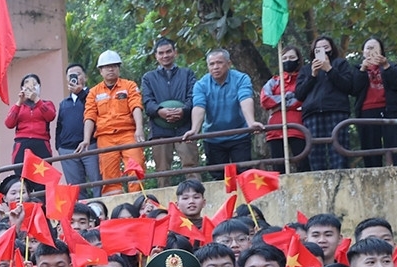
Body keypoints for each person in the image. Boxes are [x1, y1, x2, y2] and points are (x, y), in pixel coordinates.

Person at [182, 49, 263, 170]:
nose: (215, 67)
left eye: (219, 62)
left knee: (244, 172)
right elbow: (199, 106)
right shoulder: (201, 85)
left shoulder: (241, 79)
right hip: (212, 138)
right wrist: (194, 130)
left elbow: (245, 99)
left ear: (229, 64)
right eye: (212, 64)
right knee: (218, 175)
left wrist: (251, 123)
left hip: (239, 135)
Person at [79, 50, 145, 195]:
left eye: (114, 66)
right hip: (105, 137)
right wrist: (86, 139)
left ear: (118, 68)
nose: (111, 69)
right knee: (109, 176)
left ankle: (139, 200)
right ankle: (115, 204)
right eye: (107, 67)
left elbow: (136, 106)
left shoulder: (129, 86)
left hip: (128, 134)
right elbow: (89, 115)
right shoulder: (94, 92)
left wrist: (139, 129)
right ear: (100, 71)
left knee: (136, 168)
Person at [295, 35, 360, 173]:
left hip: (337, 110)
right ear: (313, 52)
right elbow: (299, 94)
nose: (323, 51)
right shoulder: (306, 69)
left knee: (339, 150)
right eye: (318, 49)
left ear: (332, 49)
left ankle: (341, 178)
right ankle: (318, 180)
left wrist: (329, 69)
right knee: (315, 153)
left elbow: (348, 86)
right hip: (312, 113)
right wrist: (313, 75)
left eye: (326, 47)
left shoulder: (341, 64)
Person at [141, 38, 199, 175]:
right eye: (161, 53)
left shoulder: (187, 73)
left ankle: (196, 190)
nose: (165, 55)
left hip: (185, 129)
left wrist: (183, 110)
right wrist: (159, 111)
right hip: (159, 131)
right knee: (162, 171)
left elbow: (194, 97)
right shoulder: (148, 78)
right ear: (156, 56)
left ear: (175, 52)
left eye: (168, 51)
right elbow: (147, 102)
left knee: (191, 167)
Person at [354, 37, 397, 167]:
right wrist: (363, 69)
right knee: (370, 149)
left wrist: (386, 66)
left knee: (396, 146)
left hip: (390, 110)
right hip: (367, 111)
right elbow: (353, 89)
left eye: (374, 48)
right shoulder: (356, 69)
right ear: (363, 52)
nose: (370, 51)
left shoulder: (391, 66)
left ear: (381, 52)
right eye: (368, 48)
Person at [260, 46, 308, 172]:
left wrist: (279, 103)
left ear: (298, 59)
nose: (288, 60)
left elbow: (301, 99)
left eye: (292, 57)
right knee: (278, 167)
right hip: (275, 129)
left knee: (303, 165)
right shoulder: (274, 81)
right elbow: (265, 100)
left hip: (298, 126)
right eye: (285, 58)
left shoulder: (304, 79)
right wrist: (288, 97)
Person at [5, 74, 56, 167]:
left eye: (34, 84)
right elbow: (9, 124)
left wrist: (36, 100)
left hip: (41, 142)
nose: (30, 87)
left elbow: (50, 116)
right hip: (22, 143)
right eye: (27, 84)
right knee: (21, 172)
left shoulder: (47, 104)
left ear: (39, 87)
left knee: (44, 173)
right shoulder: (18, 106)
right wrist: (19, 103)